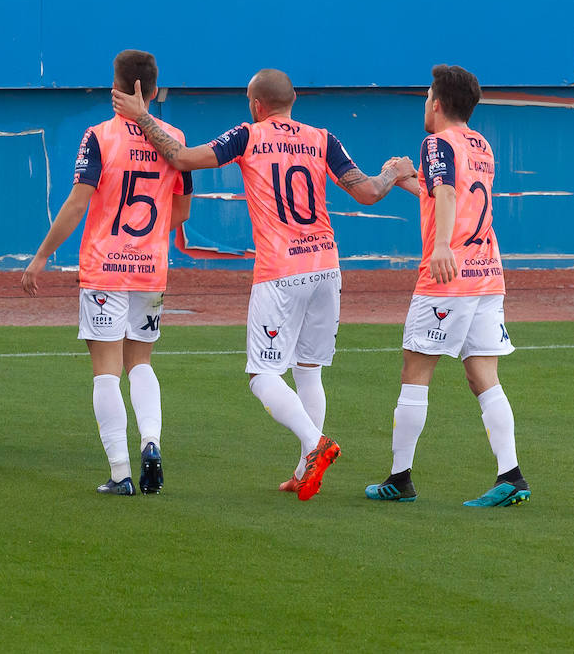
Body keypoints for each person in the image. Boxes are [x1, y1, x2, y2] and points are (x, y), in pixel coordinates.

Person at [114, 68, 410, 500]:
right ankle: (305, 467)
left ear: (256, 105)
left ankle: (315, 444)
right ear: (293, 101)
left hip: (281, 271)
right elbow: (367, 192)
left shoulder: (248, 135)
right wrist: (394, 172)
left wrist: (143, 117)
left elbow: (180, 156)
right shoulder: (321, 138)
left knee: (262, 375)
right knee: (309, 371)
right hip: (327, 266)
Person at [21, 50, 191, 496]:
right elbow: (182, 210)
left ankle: (120, 473)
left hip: (104, 269)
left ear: (118, 88)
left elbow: (78, 202)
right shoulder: (175, 139)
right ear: (154, 90)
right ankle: (151, 442)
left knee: (105, 372)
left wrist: (40, 257)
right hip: (150, 270)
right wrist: (148, 235)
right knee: (142, 364)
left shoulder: (99, 136)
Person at [364, 65, 529, 507]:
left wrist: (441, 247)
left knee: (415, 373)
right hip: (487, 274)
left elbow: (450, 197)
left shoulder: (436, 142)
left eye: (425, 97)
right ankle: (511, 475)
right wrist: (407, 179)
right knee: (483, 377)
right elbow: (447, 191)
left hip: (448, 278)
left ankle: (400, 478)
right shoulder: (481, 144)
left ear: (437, 102)